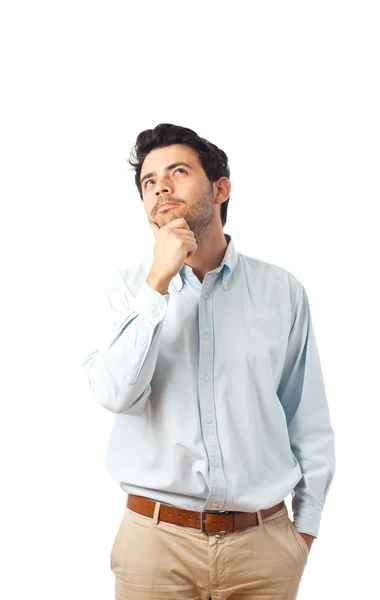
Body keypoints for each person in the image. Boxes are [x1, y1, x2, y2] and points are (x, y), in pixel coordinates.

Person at [80, 123, 336, 599]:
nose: (161, 188)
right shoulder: (123, 292)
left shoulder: (281, 291)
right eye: (149, 182)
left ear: (221, 189)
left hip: (264, 549)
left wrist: (304, 533)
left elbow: (308, 419)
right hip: (155, 547)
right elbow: (114, 393)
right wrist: (158, 283)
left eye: (177, 172)